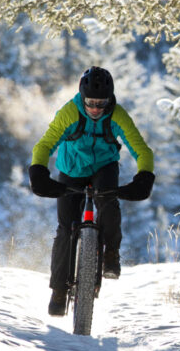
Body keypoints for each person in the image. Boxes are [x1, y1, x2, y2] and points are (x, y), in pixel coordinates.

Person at [28, 66, 155, 316]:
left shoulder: (118, 116)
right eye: (91, 103)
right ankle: (59, 290)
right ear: (82, 97)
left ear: (110, 100)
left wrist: (144, 177)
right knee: (66, 228)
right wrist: (39, 173)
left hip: (104, 167)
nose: (96, 108)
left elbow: (142, 150)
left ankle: (111, 255)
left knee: (108, 202)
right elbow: (44, 145)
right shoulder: (69, 113)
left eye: (102, 103)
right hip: (71, 168)